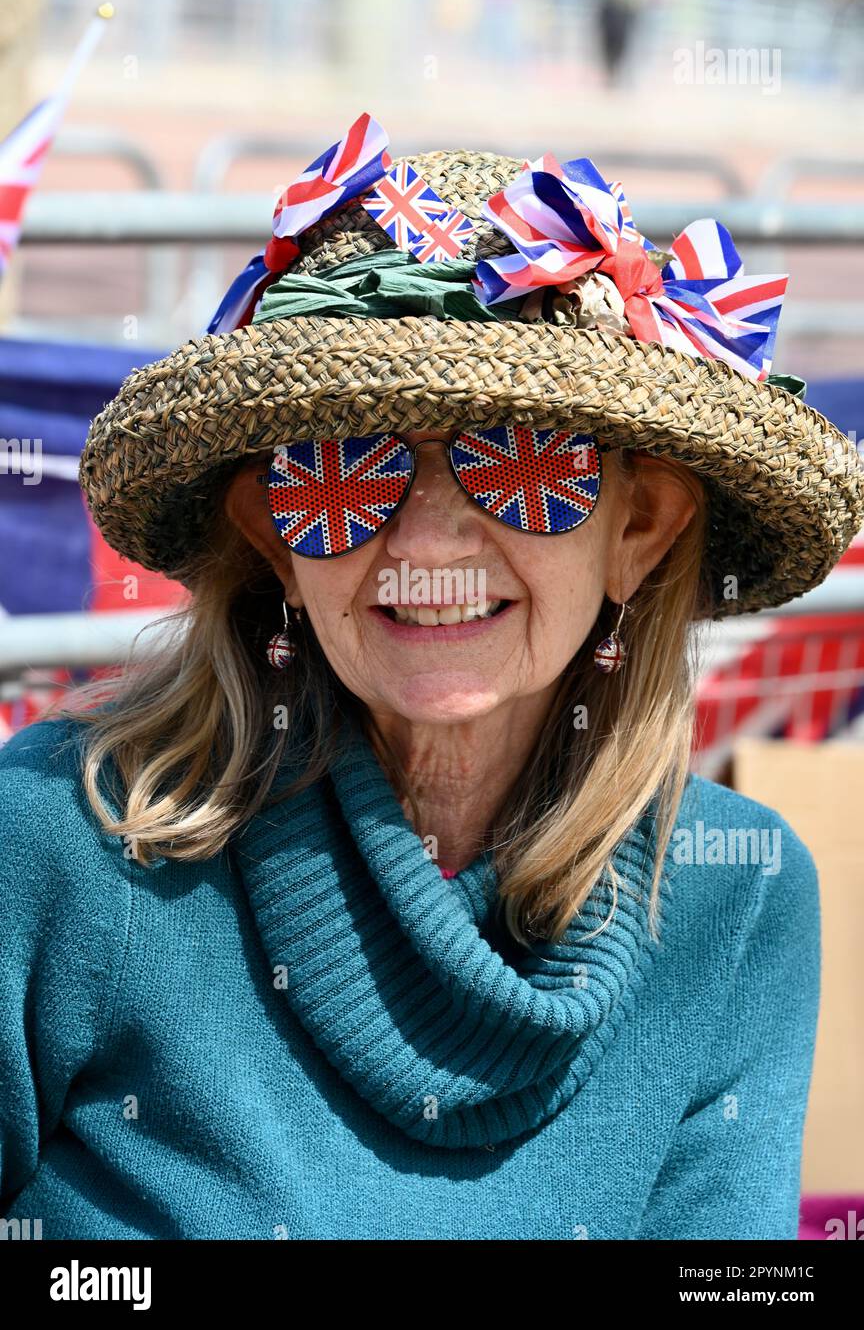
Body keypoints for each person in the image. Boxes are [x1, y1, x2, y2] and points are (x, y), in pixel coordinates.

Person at [1, 131, 862, 1241]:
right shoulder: (63, 844)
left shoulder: (734, 901)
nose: (429, 539)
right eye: (347, 461)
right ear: (272, 533)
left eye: (525, 458)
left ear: (639, 528)